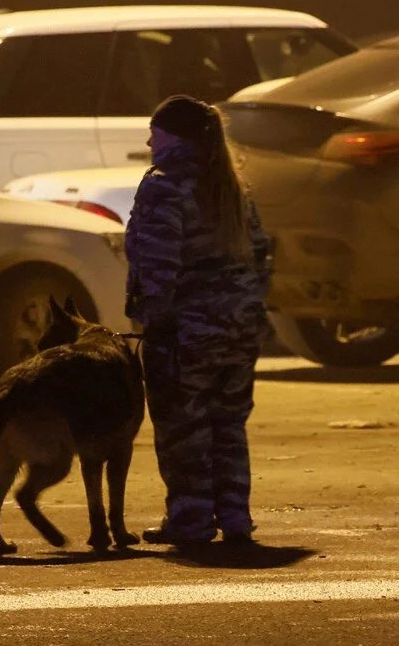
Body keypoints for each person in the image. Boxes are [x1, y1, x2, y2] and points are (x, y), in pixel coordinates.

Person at [124, 95, 272, 546]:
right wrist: (245, 306)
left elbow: (157, 260)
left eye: (156, 131)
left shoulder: (164, 185)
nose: (149, 140)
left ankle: (190, 519)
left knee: (183, 425)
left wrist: (156, 315)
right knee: (228, 422)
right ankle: (235, 517)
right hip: (240, 326)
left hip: (187, 328)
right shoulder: (231, 185)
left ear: (176, 136)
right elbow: (263, 255)